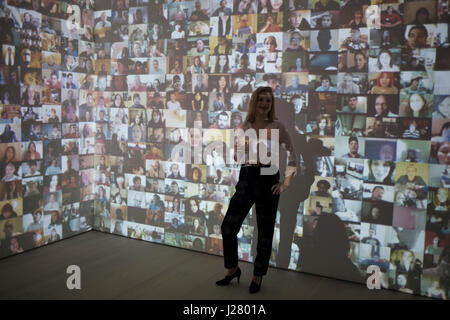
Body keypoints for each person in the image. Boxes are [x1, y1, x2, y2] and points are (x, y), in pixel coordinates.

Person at [217, 87, 297, 294]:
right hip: (247, 178)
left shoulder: (278, 126)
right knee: (228, 227)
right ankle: (233, 269)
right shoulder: (244, 126)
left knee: (265, 232)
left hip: (269, 179)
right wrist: (241, 147)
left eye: (268, 100)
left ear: (271, 104)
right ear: (254, 102)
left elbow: (293, 155)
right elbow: (237, 158)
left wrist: (285, 183)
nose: (264, 103)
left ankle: (257, 275)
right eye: (260, 100)